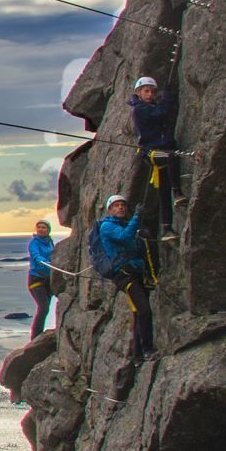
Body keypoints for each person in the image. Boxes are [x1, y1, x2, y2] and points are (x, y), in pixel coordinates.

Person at [95, 193, 156, 362]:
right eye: (116, 205)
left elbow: (132, 244)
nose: (120, 207)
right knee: (144, 309)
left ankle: (137, 356)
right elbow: (123, 237)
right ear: (109, 210)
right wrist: (136, 217)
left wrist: (142, 237)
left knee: (138, 313)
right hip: (124, 276)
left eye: (122, 205)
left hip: (135, 272)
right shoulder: (107, 226)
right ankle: (147, 349)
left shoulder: (124, 225)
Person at [127, 75, 178, 245]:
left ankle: (167, 227)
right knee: (170, 158)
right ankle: (178, 193)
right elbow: (160, 113)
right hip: (151, 152)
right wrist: (166, 98)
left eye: (152, 92)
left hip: (161, 148)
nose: (150, 94)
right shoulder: (139, 108)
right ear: (139, 93)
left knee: (164, 189)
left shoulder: (150, 106)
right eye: (146, 91)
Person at [26, 220, 55, 339]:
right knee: (43, 307)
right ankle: (35, 337)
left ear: (48, 230)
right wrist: (42, 261)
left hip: (48, 278)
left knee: (46, 308)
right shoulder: (34, 242)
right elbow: (35, 254)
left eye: (44, 227)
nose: (41, 229)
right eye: (39, 227)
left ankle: (39, 334)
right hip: (36, 278)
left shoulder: (50, 242)